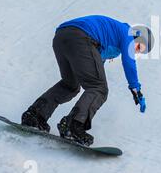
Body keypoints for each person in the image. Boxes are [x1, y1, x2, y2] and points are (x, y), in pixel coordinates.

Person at [20, 15, 154, 146]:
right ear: (138, 35)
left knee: (70, 85)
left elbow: (95, 63)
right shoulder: (128, 33)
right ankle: (73, 125)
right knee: (99, 89)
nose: (135, 52)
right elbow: (129, 62)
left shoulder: (114, 36)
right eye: (138, 48)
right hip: (81, 38)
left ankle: (35, 115)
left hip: (62, 36)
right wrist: (135, 88)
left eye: (139, 52)